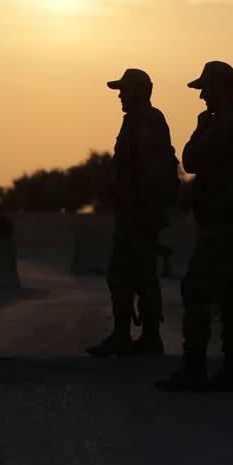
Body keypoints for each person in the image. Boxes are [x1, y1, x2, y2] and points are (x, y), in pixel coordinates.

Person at [156, 61, 233, 392]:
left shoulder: (223, 125)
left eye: (205, 88)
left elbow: (191, 160)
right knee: (232, 296)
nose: (202, 96)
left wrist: (202, 126)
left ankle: (195, 368)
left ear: (218, 88)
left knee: (197, 291)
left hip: (221, 226)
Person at [86, 68, 178, 357]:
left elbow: (151, 174)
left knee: (128, 274)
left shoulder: (146, 121)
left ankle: (135, 336)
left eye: (125, 90)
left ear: (140, 90)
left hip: (139, 215)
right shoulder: (139, 121)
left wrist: (142, 214)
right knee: (137, 273)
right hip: (135, 213)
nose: (121, 96)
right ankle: (137, 335)